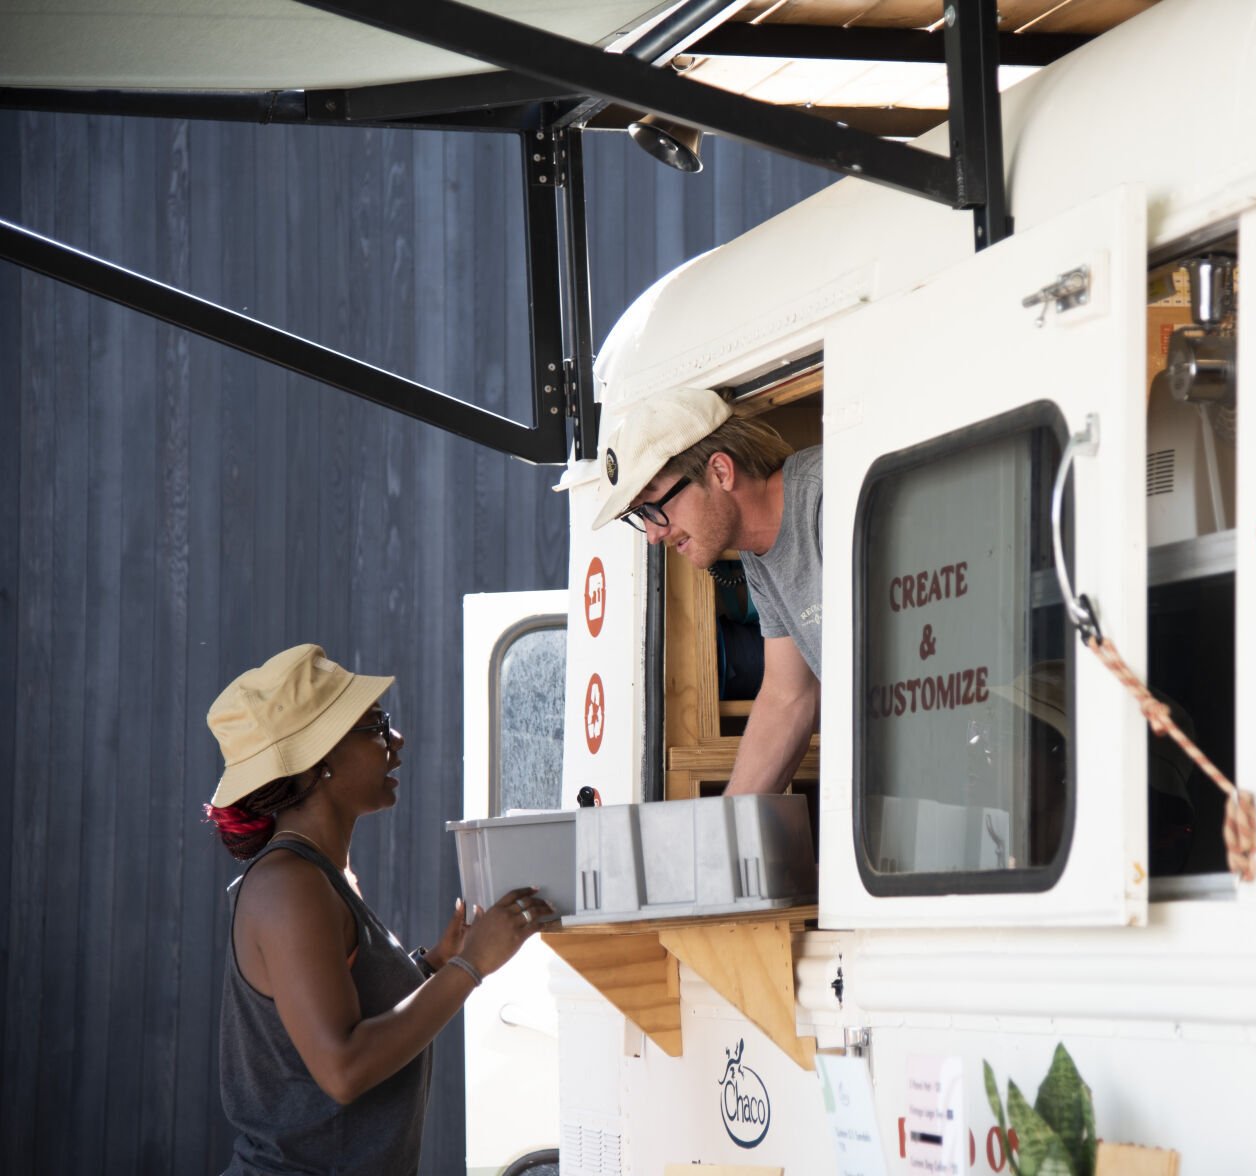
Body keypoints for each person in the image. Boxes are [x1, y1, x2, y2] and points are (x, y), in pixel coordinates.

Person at [202, 643, 553, 1176]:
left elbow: (357, 1014)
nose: (396, 740)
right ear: (320, 761)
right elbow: (342, 1068)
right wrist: (470, 966)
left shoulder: (327, 877)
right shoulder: (289, 886)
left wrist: (436, 962)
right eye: (375, 726)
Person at [592, 386, 821, 795]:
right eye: (640, 518)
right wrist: (724, 837)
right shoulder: (758, 555)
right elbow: (787, 696)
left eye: (653, 506)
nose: (653, 534)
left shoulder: (824, 498)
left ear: (720, 471)